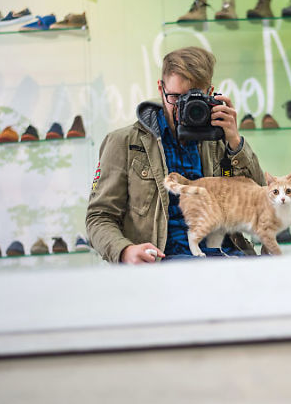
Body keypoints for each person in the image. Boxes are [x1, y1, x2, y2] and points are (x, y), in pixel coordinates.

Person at [86, 46, 264, 264]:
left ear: (210, 93)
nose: (182, 107)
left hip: (226, 259)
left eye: (193, 99)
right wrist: (125, 251)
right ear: (161, 89)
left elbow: (266, 203)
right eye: (175, 97)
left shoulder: (222, 141)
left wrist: (235, 143)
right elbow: (99, 216)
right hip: (164, 265)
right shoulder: (125, 143)